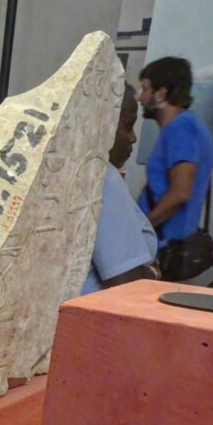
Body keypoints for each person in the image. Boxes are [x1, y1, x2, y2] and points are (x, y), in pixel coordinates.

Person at [81, 83, 159, 294]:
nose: (133, 137)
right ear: (103, 125)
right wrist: (152, 273)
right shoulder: (100, 176)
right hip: (91, 308)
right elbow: (125, 282)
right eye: (127, 126)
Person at [137, 57, 213, 250]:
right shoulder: (186, 125)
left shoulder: (180, 127)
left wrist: (142, 229)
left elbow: (180, 192)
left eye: (145, 89)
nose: (140, 98)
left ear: (161, 94)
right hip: (166, 239)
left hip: (164, 243)